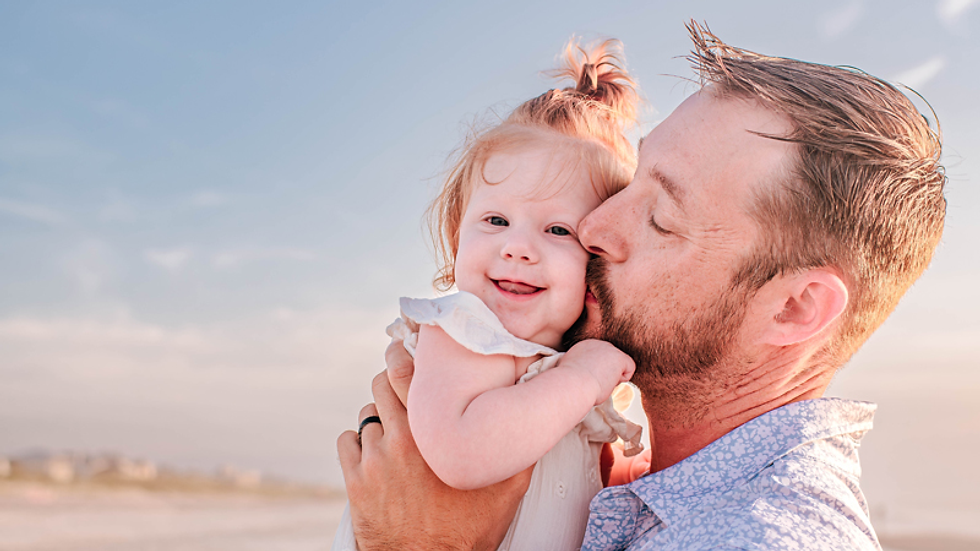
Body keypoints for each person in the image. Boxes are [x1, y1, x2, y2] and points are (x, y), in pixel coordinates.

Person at [337, 22, 946, 551]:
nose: (593, 228)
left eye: (660, 218)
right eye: (627, 186)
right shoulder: (654, 490)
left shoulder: (752, 536)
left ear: (793, 308)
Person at [333, 40, 646, 551]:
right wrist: (583, 377)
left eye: (559, 230)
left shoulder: (555, 363)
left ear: (599, 260)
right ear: (458, 238)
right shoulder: (468, 330)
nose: (518, 248)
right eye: (496, 221)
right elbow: (462, 453)